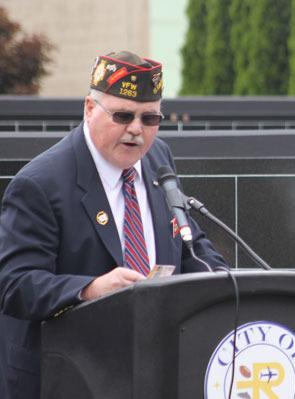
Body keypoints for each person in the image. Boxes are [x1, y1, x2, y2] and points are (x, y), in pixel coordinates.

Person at [0, 51, 227, 399]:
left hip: (151, 366)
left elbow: (187, 240)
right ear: (90, 108)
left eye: (150, 119)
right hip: (67, 377)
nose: (136, 130)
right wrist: (91, 289)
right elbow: (14, 284)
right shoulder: (41, 184)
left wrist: (221, 281)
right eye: (123, 115)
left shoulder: (157, 157)